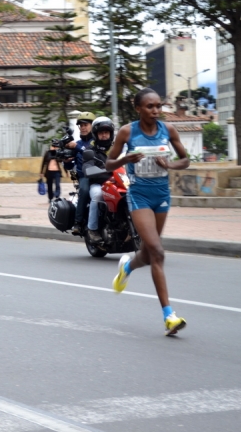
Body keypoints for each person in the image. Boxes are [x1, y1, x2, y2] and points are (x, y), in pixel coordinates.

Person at [108, 88, 190, 336]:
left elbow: (185, 159)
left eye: (159, 106)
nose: (156, 111)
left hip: (162, 196)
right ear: (138, 109)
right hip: (139, 196)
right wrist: (125, 160)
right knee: (157, 251)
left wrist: (170, 164)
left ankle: (128, 268)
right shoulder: (127, 131)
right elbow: (108, 163)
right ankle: (169, 316)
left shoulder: (169, 130)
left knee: (147, 253)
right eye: (150, 106)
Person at [84, 117, 115, 245]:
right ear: (96, 134)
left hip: (118, 183)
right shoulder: (90, 151)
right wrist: (107, 174)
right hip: (98, 184)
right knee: (97, 195)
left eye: (106, 132)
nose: (104, 135)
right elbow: (87, 169)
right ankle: (92, 229)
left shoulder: (117, 149)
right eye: (101, 132)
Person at [64, 112, 96, 235]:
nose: (83, 127)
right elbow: (70, 165)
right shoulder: (77, 143)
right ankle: (77, 222)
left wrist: (76, 147)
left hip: (101, 175)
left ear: (93, 126)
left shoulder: (97, 142)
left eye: (86, 124)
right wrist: (66, 161)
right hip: (84, 176)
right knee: (84, 190)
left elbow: (91, 153)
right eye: (80, 125)